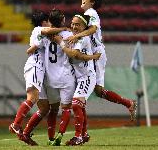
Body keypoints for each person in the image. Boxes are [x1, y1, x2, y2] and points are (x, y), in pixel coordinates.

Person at [21, 9, 100, 146]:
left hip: (49, 78)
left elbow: (32, 49)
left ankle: (50, 137)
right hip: (65, 76)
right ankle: (63, 135)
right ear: (63, 19)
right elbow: (75, 54)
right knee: (69, 108)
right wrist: (93, 56)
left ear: (50, 21)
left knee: (52, 109)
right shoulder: (70, 35)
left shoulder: (46, 35)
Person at [67, 0, 137, 122]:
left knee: (85, 86)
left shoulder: (91, 12)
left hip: (96, 54)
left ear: (91, 2)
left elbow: (93, 28)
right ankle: (128, 103)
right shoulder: (88, 13)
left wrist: (77, 36)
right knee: (97, 90)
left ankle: (81, 132)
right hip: (93, 53)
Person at [8, 11, 67, 145]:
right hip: (35, 66)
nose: (50, 24)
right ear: (43, 22)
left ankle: (26, 134)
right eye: (48, 21)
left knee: (44, 108)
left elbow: (31, 49)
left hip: (41, 71)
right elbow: (43, 35)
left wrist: (32, 47)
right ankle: (16, 124)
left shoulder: (43, 35)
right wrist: (64, 28)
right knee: (32, 98)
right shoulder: (39, 29)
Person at [54, 14, 97, 146]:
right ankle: (84, 135)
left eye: (77, 24)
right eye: (72, 23)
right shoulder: (73, 37)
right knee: (80, 107)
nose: (74, 26)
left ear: (84, 27)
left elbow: (74, 54)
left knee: (76, 104)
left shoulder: (82, 38)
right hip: (79, 77)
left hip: (87, 76)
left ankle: (78, 137)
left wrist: (61, 42)